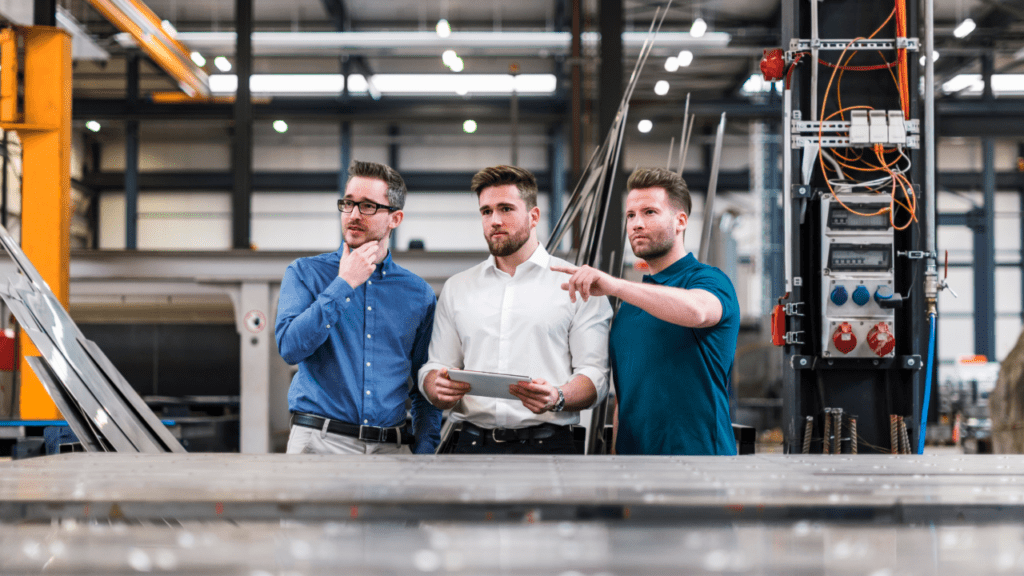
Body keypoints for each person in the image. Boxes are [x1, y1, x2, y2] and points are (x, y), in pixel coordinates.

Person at [418, 165, 612, 454]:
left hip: (550, 447)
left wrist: (558, 396)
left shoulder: (578, 284)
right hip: (470, 446)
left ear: (533, 216)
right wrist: (435, 386)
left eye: (506, 209)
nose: (495, 220)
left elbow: (595, 375)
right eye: (486, 211)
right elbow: (436, 365)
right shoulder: (458, 288)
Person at [553, 167, 740, 455]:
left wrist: (614, 285)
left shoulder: (709, 280)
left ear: (680, 221)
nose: (636, 224)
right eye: (630, 215)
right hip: (635, 468)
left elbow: (699, 311)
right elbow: (626, 397)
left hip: (701, 464)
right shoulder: (630, 307)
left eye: (649, 212)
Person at [276, 160, 441, 455]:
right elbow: (290, 347)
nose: (353, 215)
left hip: (391, 450)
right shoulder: (305, 273)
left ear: (395, 218)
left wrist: (425, 452)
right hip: (319, 444)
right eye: (348, 204)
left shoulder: (419, 294)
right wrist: (343, 284)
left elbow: (423, 385)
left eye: (367, 206)